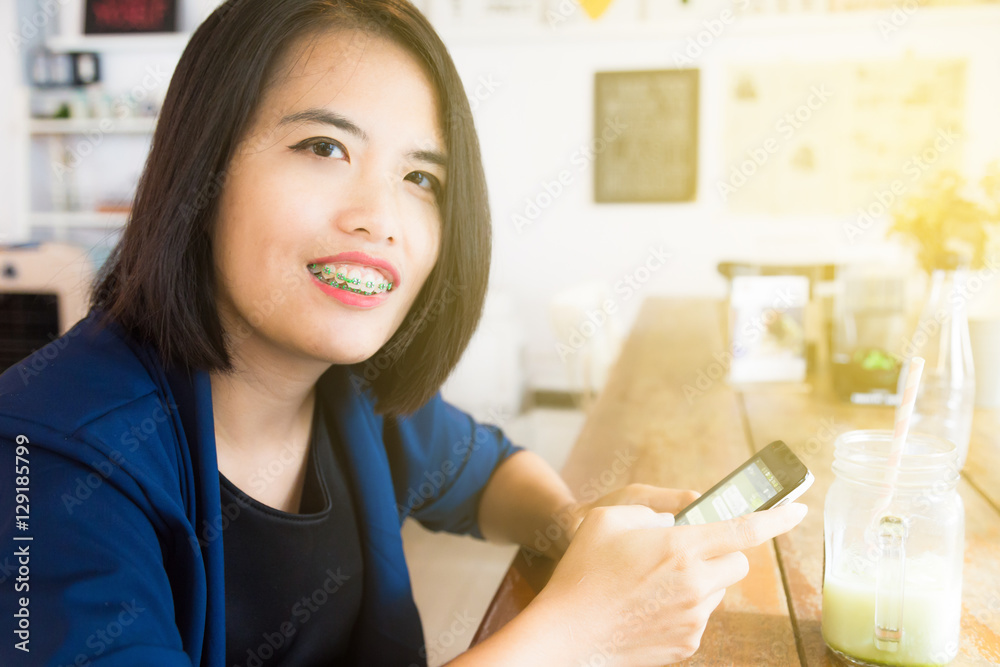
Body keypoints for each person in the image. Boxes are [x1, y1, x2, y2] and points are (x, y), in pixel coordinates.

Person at [0, 0, 807, 665]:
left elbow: (489, 473)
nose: (379, 218)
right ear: (200, 169)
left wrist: (571, 530)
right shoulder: (47, 458)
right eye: (323, 146)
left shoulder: (352, 393)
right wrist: (576, 632)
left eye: (421, 178)